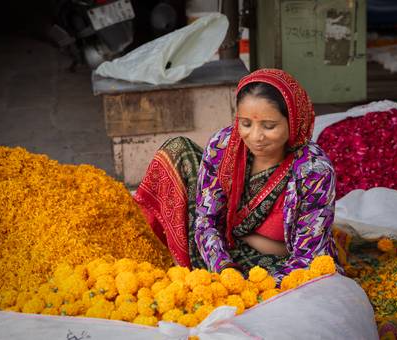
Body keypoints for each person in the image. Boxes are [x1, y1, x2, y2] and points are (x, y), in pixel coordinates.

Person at [134, 68, 340, 282]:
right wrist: (224, 270)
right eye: (246, 124)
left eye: (269, 126)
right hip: (222, 246)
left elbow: (307, 257)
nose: (256, 136)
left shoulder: (314, 170)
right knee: (178, 149)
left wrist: (254, 286)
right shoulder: (224, 145)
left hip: (278, 263)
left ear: (295, 120)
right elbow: (206, 220)